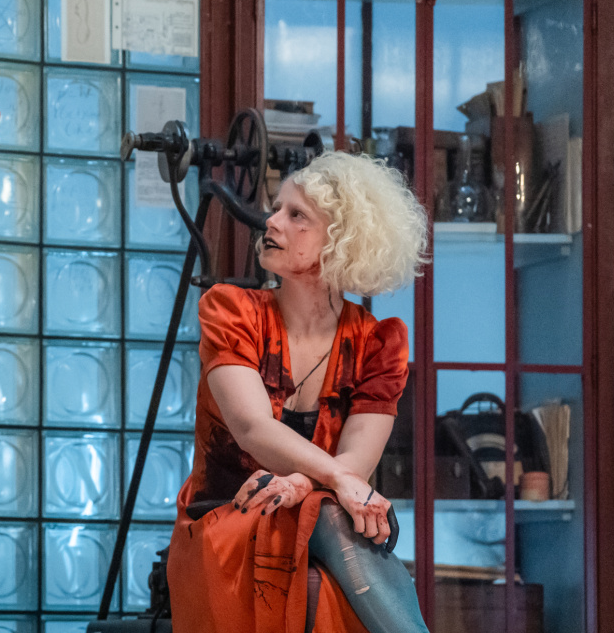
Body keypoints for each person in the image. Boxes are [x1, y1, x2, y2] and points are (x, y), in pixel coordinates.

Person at [167, 151, 431, 632]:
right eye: (277, 208)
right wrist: (333, 481)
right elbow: (252, 428)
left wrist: (301, 483)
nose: (271, 221)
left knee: (323, 514)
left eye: (296, 215)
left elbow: (358, 464)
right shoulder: (231, 310)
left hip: (314, 512)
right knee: (331, 516)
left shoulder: (377, 343)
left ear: (342, 242)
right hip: (229, 514)